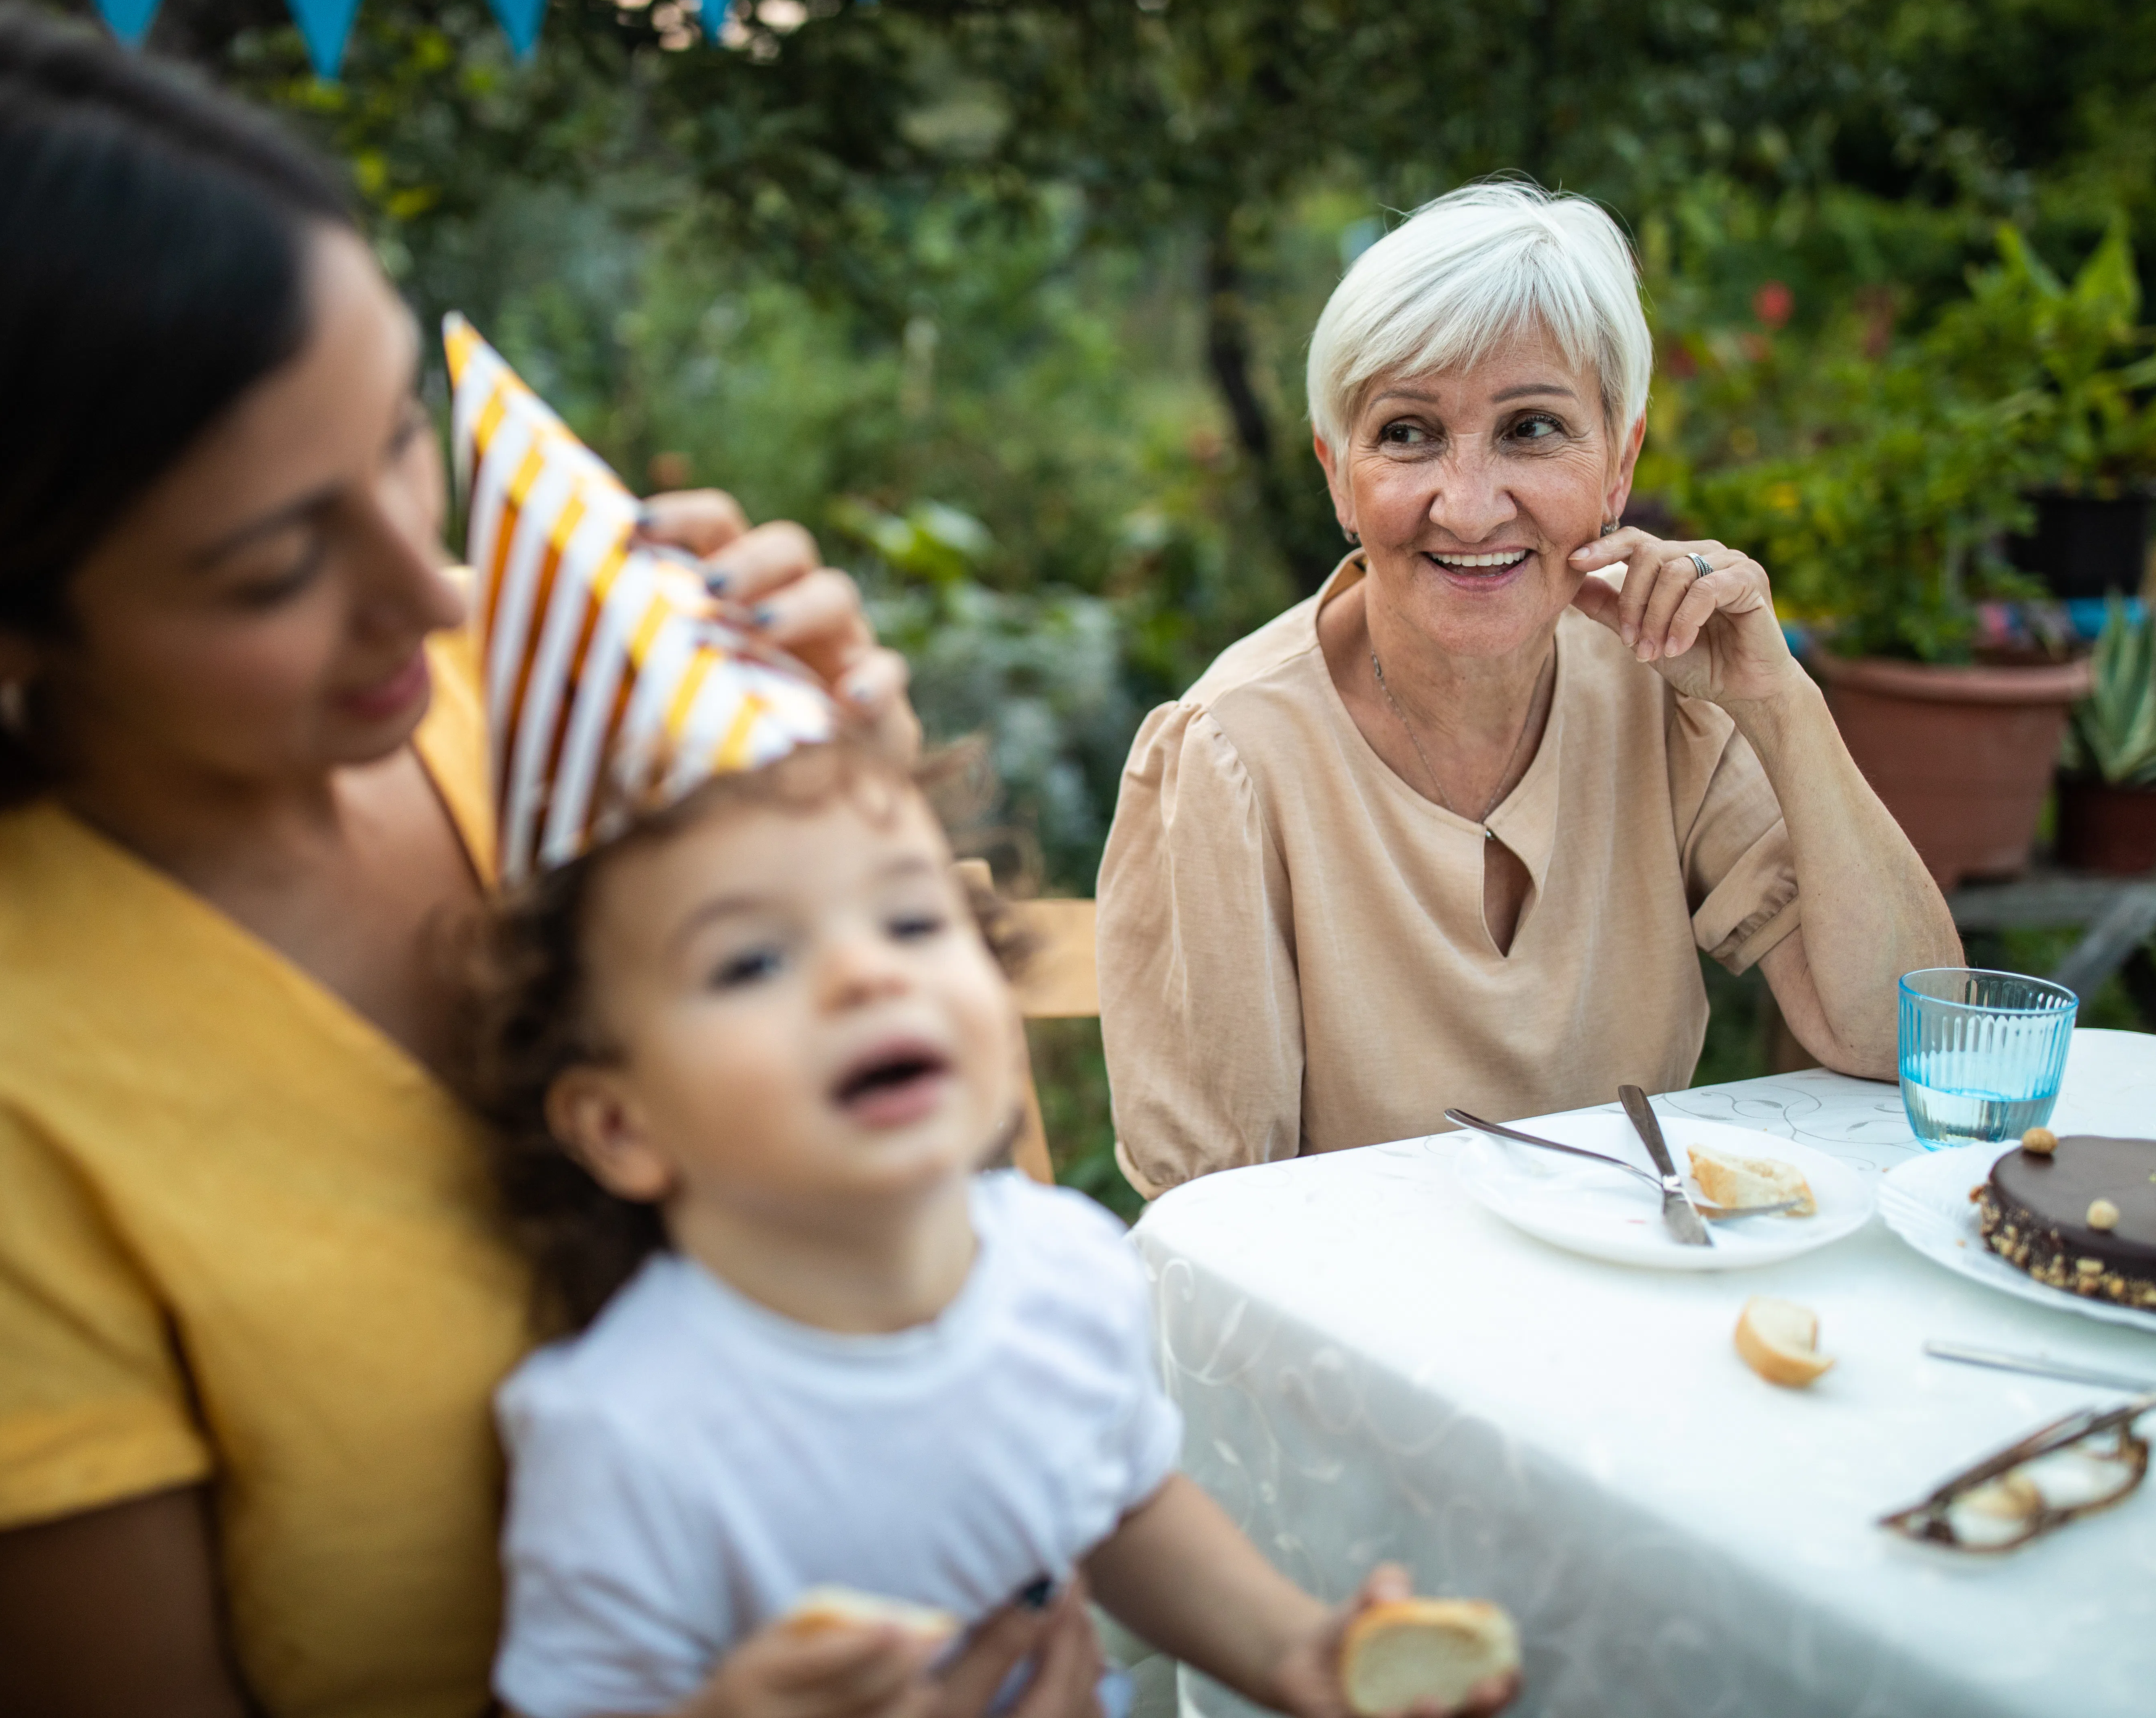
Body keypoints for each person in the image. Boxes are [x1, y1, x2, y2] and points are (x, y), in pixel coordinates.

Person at [0, 5, 1106, 1718]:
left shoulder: (554, 673)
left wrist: (858, 811)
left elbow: (978, 1221)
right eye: (275, 563)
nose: (432, 596)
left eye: (395, 441)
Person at [441, 375, 1520, 1708]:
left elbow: (1118, 1505)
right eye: (753, 958)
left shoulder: (1064, 1273)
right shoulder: (624, 1437)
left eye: (908, 918)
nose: (859, 977)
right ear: (618, 1123)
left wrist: (1292, 1647)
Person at [1096, 181, 1962, 1196]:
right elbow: (1217, 1220)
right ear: (1339, 476)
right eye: (1410, 433)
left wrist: (1780, 701)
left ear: (1618, 464)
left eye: (1532, 429)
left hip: (1639, 1299)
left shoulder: (1662, 686)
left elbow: (1908, 1041)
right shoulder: (1228, 756)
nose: (1467, 507)